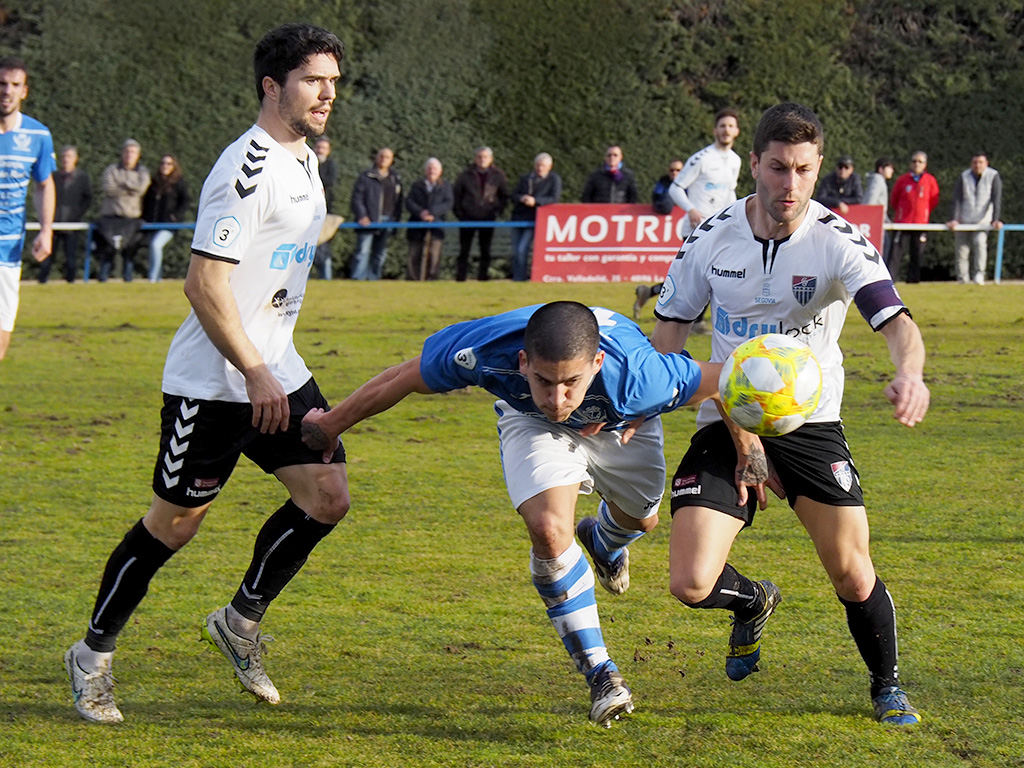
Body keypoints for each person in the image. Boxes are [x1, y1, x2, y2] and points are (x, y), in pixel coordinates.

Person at [63, 22, 348, 725]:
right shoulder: (244, 168)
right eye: (314, 80)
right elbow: (203, 284)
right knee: (175, 524)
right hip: (217, 381)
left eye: (334, 82)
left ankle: (240, 620)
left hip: (276, 367)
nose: (327, 94)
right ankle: (92, 654)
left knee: (328, 495)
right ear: (271, 85)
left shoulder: (306, 158)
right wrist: (253, 370)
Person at [300, 301, 723, 727]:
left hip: (621, 422)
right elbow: (405, 375)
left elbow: (724, 380)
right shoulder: (483, 350)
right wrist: (332, 424)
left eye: (571, 383)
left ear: (597, 363)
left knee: (641, 520)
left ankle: (604, 540)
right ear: (523, 361)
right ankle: (601, 674)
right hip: (529, 423)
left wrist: (745, 446)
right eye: (543, 380)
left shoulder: (641, 378)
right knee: (548, 528)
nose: (558, 399)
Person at [650, 102, 930, 727]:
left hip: (811, 425)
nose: (791, 184)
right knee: (692, 582)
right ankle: (753, 601)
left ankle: (887, 685)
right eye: (778, 168)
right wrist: (654, 402)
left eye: (804, 169)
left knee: (853, 575)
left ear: (819, 167)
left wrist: (908, 372)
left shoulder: (838, 239)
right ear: (754, 163)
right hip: (727, 416)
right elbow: (667, 337)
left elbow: (898, 324)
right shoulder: (710, 237)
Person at [634, 109, 742, 321]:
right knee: (701, 276)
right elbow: (676, 188)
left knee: (700, 276)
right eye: (722, 126)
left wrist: (735, 216)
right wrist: (691, 209)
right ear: (714, 130)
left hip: (721, 227)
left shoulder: (736, 161)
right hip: (697, 228)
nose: (726, 130)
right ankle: (695, 322)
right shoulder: (701, 158)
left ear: (737, 131)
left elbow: (730, 191)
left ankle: (651, 292)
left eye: (730, 126)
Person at [0, 56, 55, 360]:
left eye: (14, 85)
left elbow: (44, 184)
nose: (6, 90)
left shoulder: (37, 135)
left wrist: (46, 230)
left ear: (24, 91)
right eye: (2, 83)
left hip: (7, 249)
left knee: (2, 329)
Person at [95, 139, 150, 282]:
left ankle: (128, 279)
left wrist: (123, 183)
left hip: (131, 218)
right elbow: (108, 189)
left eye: (132, 152)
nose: (129, 155)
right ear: (122, 153)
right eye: (126, 152)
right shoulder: (111, 170)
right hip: (111, 218)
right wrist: (131, 188)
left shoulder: (143, 172)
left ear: (138, 155)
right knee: (107, 251)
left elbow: (141, 189)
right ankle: (103, 279)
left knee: (129, 251)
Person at [452, 146, 509, 281]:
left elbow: (505, 195)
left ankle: (483, 278)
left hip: (488, 217)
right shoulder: (465, 175)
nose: (482, 159)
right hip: (467, 218)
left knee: (485, 249)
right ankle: (461, 278)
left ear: (491, 159)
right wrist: (460, 214)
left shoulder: (498, 175)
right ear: (475, 159)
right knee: (464, 249)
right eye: (479, 157)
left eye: (485, 157)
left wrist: (497, 212)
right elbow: (457, 195)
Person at [946, 151, 1003, 285]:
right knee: (962, 250)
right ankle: (962, 278)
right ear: (971, 164)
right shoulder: (964, 176)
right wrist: (954, 218)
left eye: (981, 162)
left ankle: (979, 274)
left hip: (982, 221)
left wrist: (995, 218)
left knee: (980, 244)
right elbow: (957, 199)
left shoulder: (993, 176)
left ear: (986, 163)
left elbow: (996, 199)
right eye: (975, 162)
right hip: (963, 219)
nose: (978, 165)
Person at [350, 147, 403, 280]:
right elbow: (357, 198)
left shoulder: (395, 178)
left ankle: (374, 279)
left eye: (387, 157)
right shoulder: (366, 176)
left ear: (391, 161)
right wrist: (362, 216)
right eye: (381, 156)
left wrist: (396, 220)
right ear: (376, 158)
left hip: (388, 220)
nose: (384, 159)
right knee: (363, 252)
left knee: (381, 253)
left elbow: (399, 201)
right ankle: (358, 279)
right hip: (368, 220)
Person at [887, 151, 939, 283]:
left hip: (920, 223)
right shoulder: (903, 180)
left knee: (917, 254)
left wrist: (923, 213)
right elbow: (894, 199)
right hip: (902, 222)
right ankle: (889, 280)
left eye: (920, 162)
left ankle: (913, 280)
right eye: (914, 161)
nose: (916, 164)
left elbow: (933, 200)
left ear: (925, 164)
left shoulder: (930, 181)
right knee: (895, 254)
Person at [509, 152, 562, 281]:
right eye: (538, 165)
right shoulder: (526, 178)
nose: (540, 168)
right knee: (515, 251)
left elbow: (554, 198)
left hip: (536, 219)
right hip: (518, 218)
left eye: (543, 165)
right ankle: (517, 277)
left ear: (550, 166)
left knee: (522, 249)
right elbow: (513, 195)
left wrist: (535, 201)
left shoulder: (554, 179)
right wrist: (522, 198)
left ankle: (520, 278)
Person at [43, 145, 90, 284]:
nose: (66, 160)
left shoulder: (82, 178)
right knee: (48, 256)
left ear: (76, 159)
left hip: (72, 223)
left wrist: (77, 214)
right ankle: (42, 281)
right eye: (63, 156)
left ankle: (71, 282)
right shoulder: (54, 177)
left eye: (69, 156)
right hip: (54, 222)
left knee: (71, 257)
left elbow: (87, 198)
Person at [141, 154, 190, 282]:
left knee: (155, 245)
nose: (165, 166)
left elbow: (185, 201)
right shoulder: (154, 183)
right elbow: (147, 201)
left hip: (169, 225)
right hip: (153, 224)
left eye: (169, 164)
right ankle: (158, 278)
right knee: (153, 248)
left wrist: (175, 216)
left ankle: (152, 278)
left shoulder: (179, 182)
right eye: (163, 163)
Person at [405, 157, 453, 281]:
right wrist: (421, 212)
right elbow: (409, 202)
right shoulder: (416, 185)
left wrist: (432, 213)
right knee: (414, 253)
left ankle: (432, 279)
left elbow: (448, 203)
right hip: (416, 223)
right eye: (430, 168)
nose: (432, 171)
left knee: (434, 253)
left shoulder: (446, 186)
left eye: (435, 169)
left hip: (437, 224)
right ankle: (412, 279)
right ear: (425, 170)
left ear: (440, 171)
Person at [312, 136, 338, 279]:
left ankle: (326, 278)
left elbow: (330, 181)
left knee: (324, 247)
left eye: (324, 148)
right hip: (306, 211)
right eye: (319, 147)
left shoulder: (331, 165)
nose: (320, 150)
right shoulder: (308, 162)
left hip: (324, 210)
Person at [862, 157, 895, 263]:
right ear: (881, 169)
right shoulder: (878, 180)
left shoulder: (877, 180)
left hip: (877, 222)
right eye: (889, 168)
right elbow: (871, 201)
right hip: (876, 223)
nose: (892, 171)